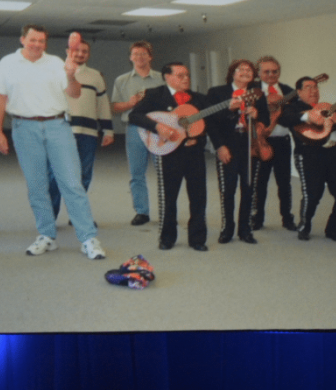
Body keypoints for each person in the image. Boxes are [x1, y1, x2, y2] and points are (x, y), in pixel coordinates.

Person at [0, 25, 105, 259]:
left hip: (58, 127)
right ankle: (46, 235)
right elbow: (0, 98)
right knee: (37, 186)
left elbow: (74, 93)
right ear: (23, 39)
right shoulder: (7, 63)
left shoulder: (56, 63)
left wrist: (71, 75)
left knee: (72, 183)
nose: (37, 45)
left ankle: (88, 238)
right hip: (23, 128)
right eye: (33, 40)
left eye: (42, 41)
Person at [128, 62, 209, 251]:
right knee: (168, 197)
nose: (186, 79)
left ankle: (197, 239)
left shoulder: (199, 99)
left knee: (198, 196)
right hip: (168, 152)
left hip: (194, 154)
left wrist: (198, 139)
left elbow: (208, 125)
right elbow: (135, 116)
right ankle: (167, 237)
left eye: (187, 75)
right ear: (167, 77)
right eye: (180, 75)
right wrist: (158, 127)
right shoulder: (155, 95)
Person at [278, 76, 336, 241]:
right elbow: (284, 119)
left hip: (333, 154)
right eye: (308, 87)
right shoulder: (293, 108)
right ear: (298, 91)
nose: (313, 90)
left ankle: (332, 228)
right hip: (308, 155)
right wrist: (307, 117)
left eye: (315, 87)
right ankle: (304, 225)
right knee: (312, 196)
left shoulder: (326, 107)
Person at [48, 40, 114, 220]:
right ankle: (50, 216)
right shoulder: (55, 72)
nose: (80, 54)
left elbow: (102, 104)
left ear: (88, 54)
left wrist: (108, 130)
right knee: (55, 174)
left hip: (88, 134)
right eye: (76, 50)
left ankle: (77, 215)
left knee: (84, 175)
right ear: (68, 51)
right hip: (61, 131)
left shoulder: (95, 76)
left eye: (84, 51)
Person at [207, 59, 269, 244]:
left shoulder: (258, 94)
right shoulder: (217, 92)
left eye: (249, 70)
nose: (245, 72)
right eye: (240, 69)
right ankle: (227, 229)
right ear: (232, 73)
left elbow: (265, 118)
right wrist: (219, 146)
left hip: (250, 145)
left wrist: (257, 115)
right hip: (228, 144)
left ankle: (245, 230)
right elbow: (210, 121)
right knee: (228, 189)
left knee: (249, 188)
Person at [112, 40, 164, 226]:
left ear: (150, 56)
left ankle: (166, 209)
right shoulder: (122, 80)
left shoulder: (162, 78)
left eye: (143, 54)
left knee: (164, 171)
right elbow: (115, 107)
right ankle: (142, 212)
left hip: (158, 129)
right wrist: (130, 103)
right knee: (137, 173)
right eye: (136, 54)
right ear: (130, 57)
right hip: (134, 130)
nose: (139, 57)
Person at [251, 56, 297, 231]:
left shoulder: (288, 91)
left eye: (275, 71)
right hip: (259, 142)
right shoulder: (252, 91)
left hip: (283, 142)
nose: (271, 75)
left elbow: (295, 115)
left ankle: (287, 218)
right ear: (259, 73)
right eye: (266, 71)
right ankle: (257, 218)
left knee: (284, 182)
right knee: (259, 182)